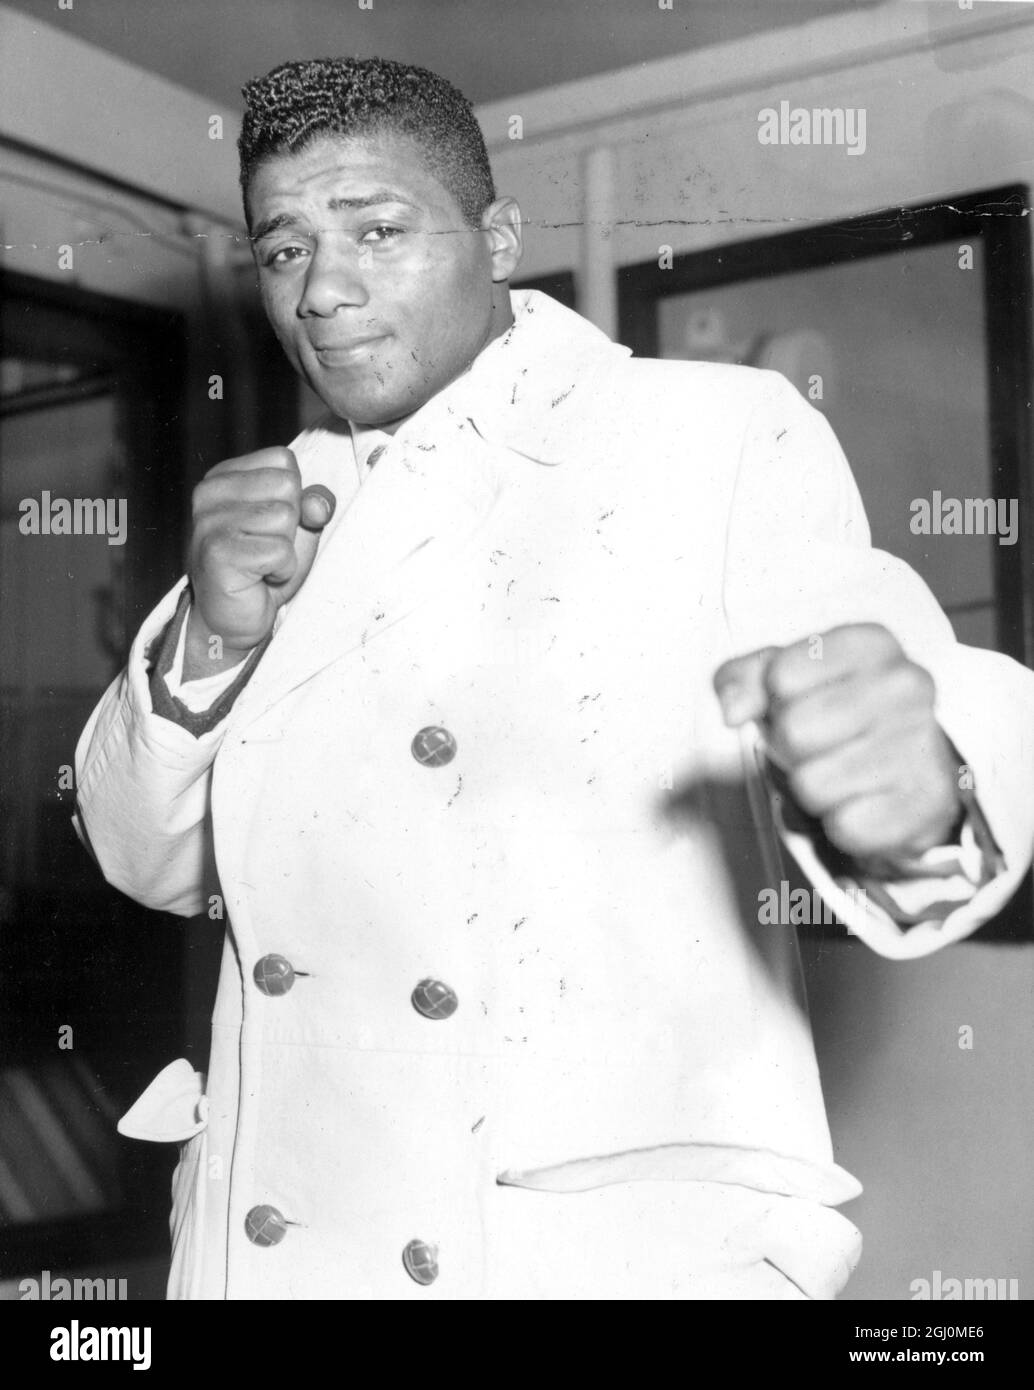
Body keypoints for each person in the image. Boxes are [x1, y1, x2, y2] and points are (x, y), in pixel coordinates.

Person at [75, 56, 1034, 1301]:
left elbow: (896, 659)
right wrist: (208, 635)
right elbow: (143, 857)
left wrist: (918, 776)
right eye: (282, 249)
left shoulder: (708, 432)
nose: (323, 290)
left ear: (498, 239)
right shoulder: (275, 511)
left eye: (377, 228)